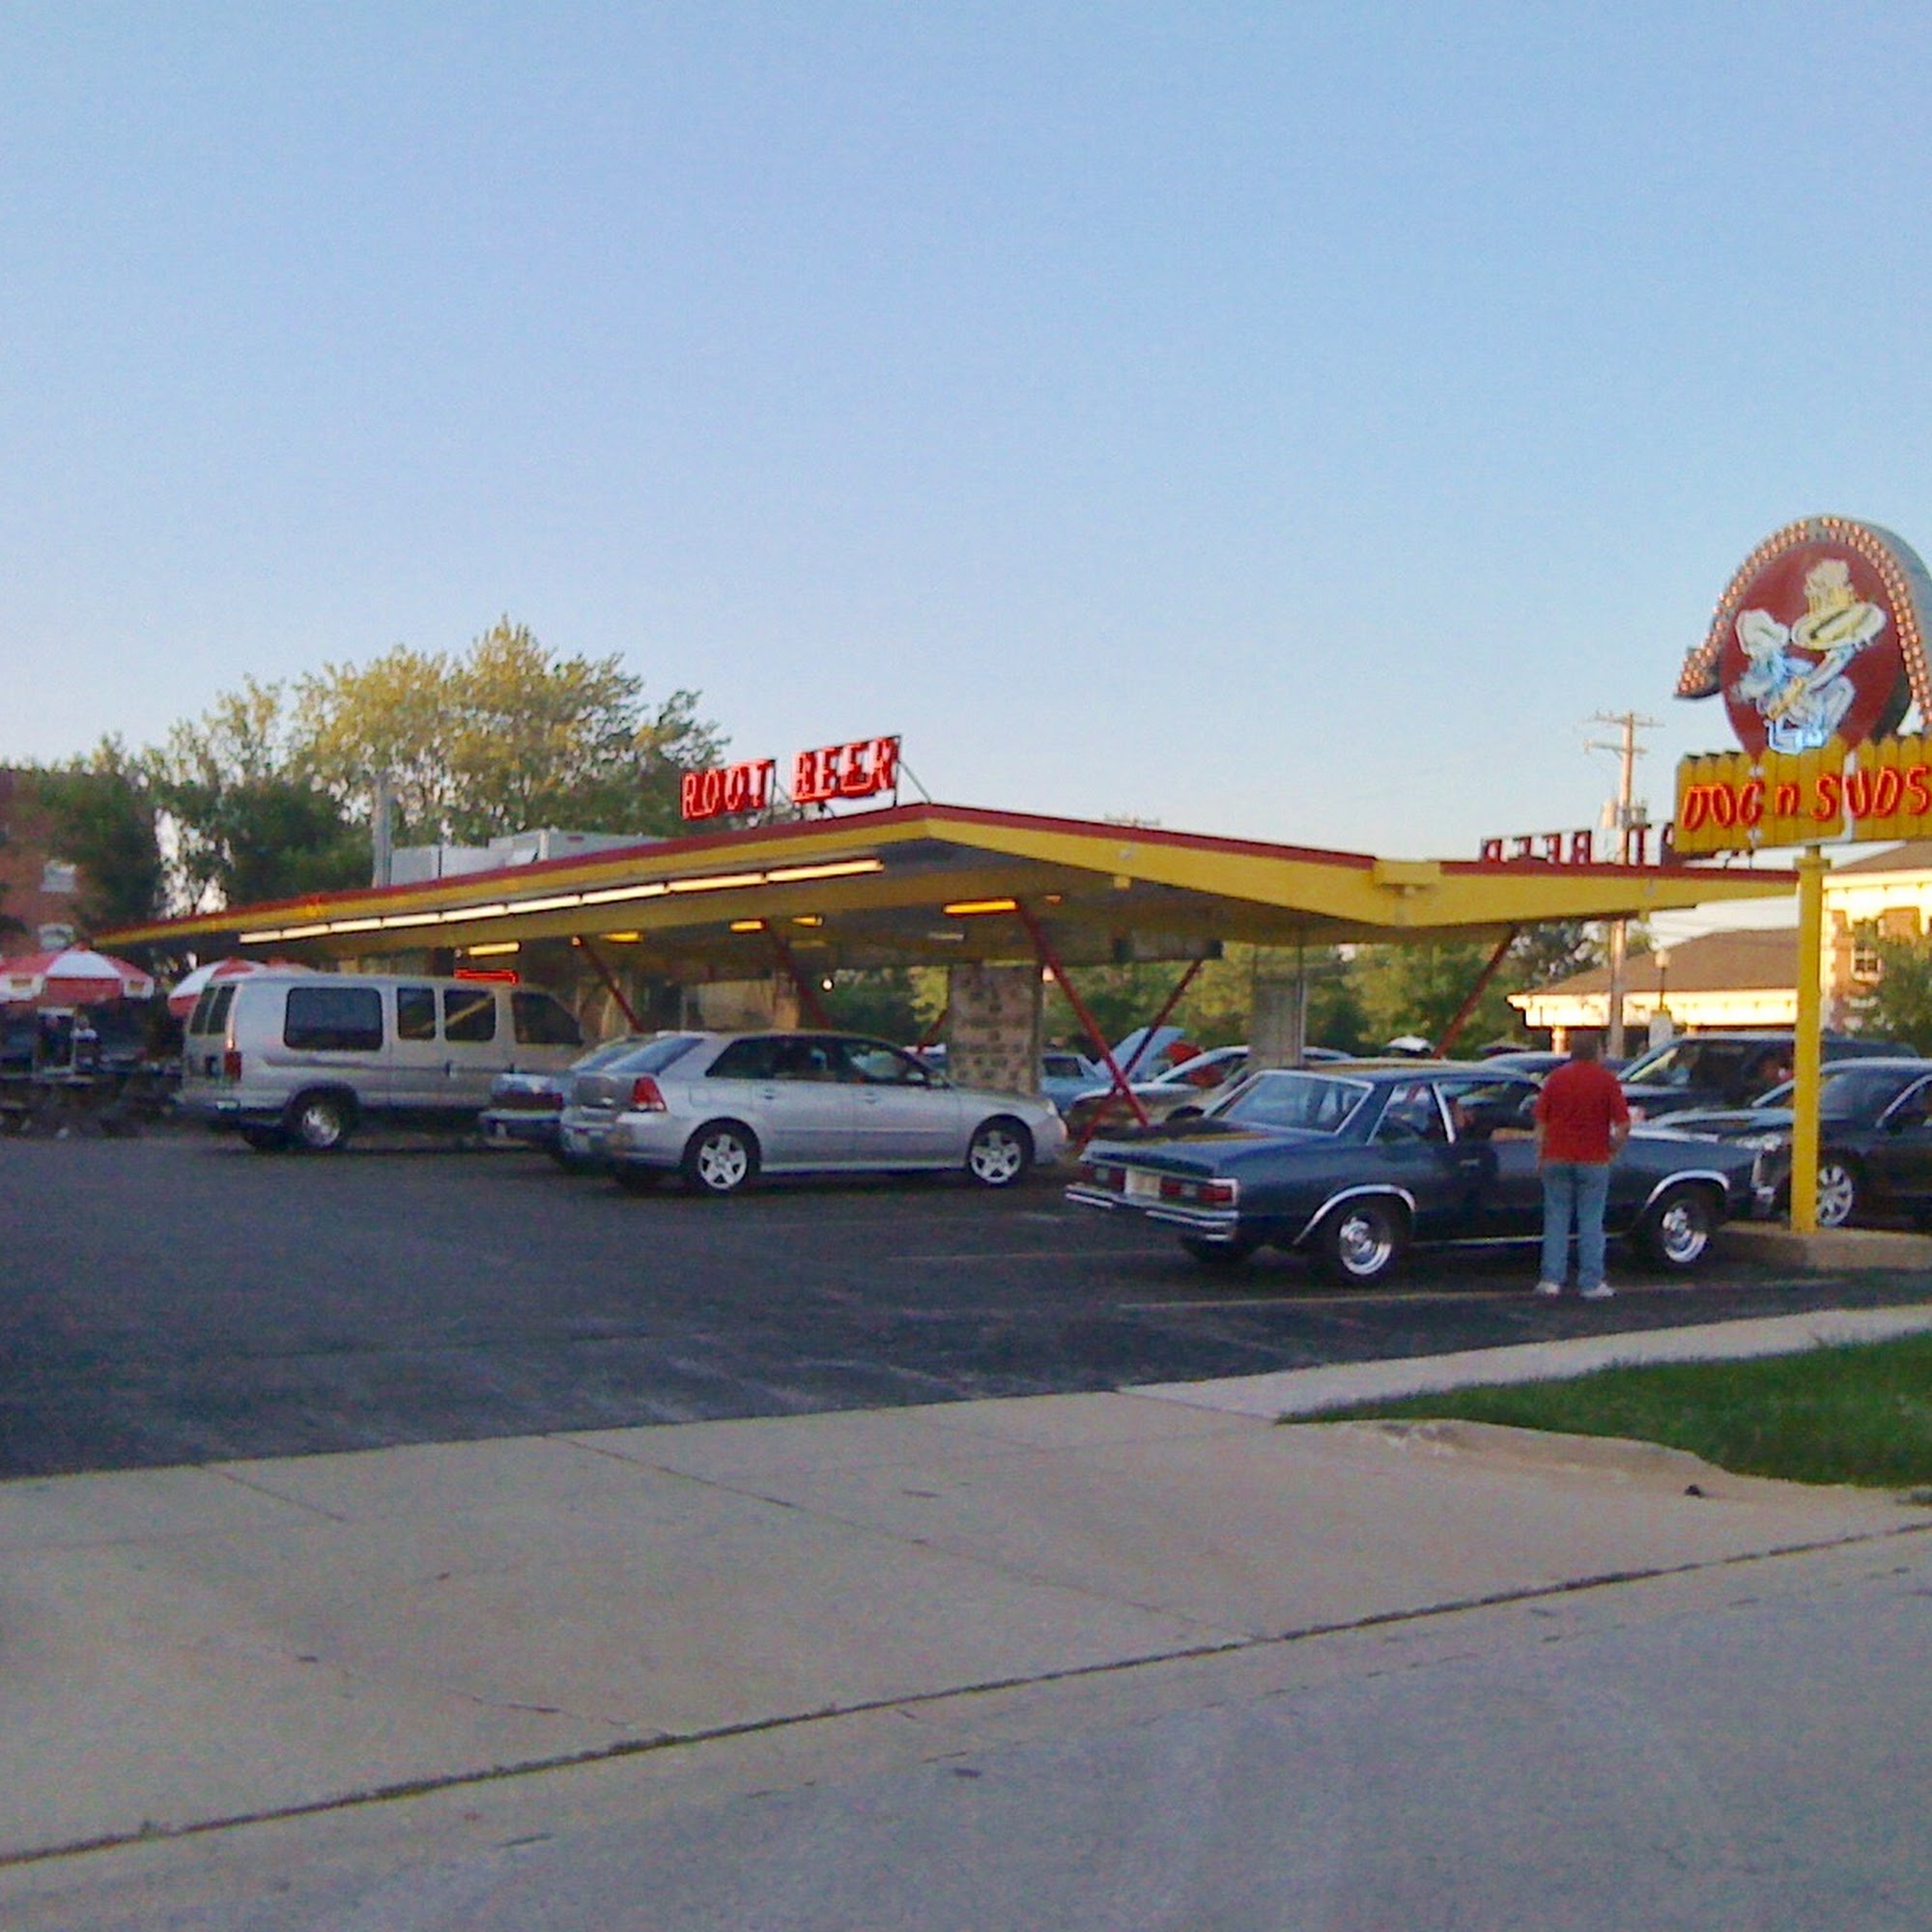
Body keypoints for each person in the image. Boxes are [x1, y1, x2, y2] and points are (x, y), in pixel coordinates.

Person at [1533, 1029, 1631, 1300]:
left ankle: (1551, 1279)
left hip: (1556, 1155)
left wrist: (1540, 1154)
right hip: (1593, 1158)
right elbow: (1623, 1125)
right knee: (1591, 1220)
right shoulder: (1607, 1081)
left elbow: (1541, 1121)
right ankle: (1590, 1281)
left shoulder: (1556, 1079)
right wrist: (1612, 1148)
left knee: (1556, 1218)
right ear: (1597, 1051)